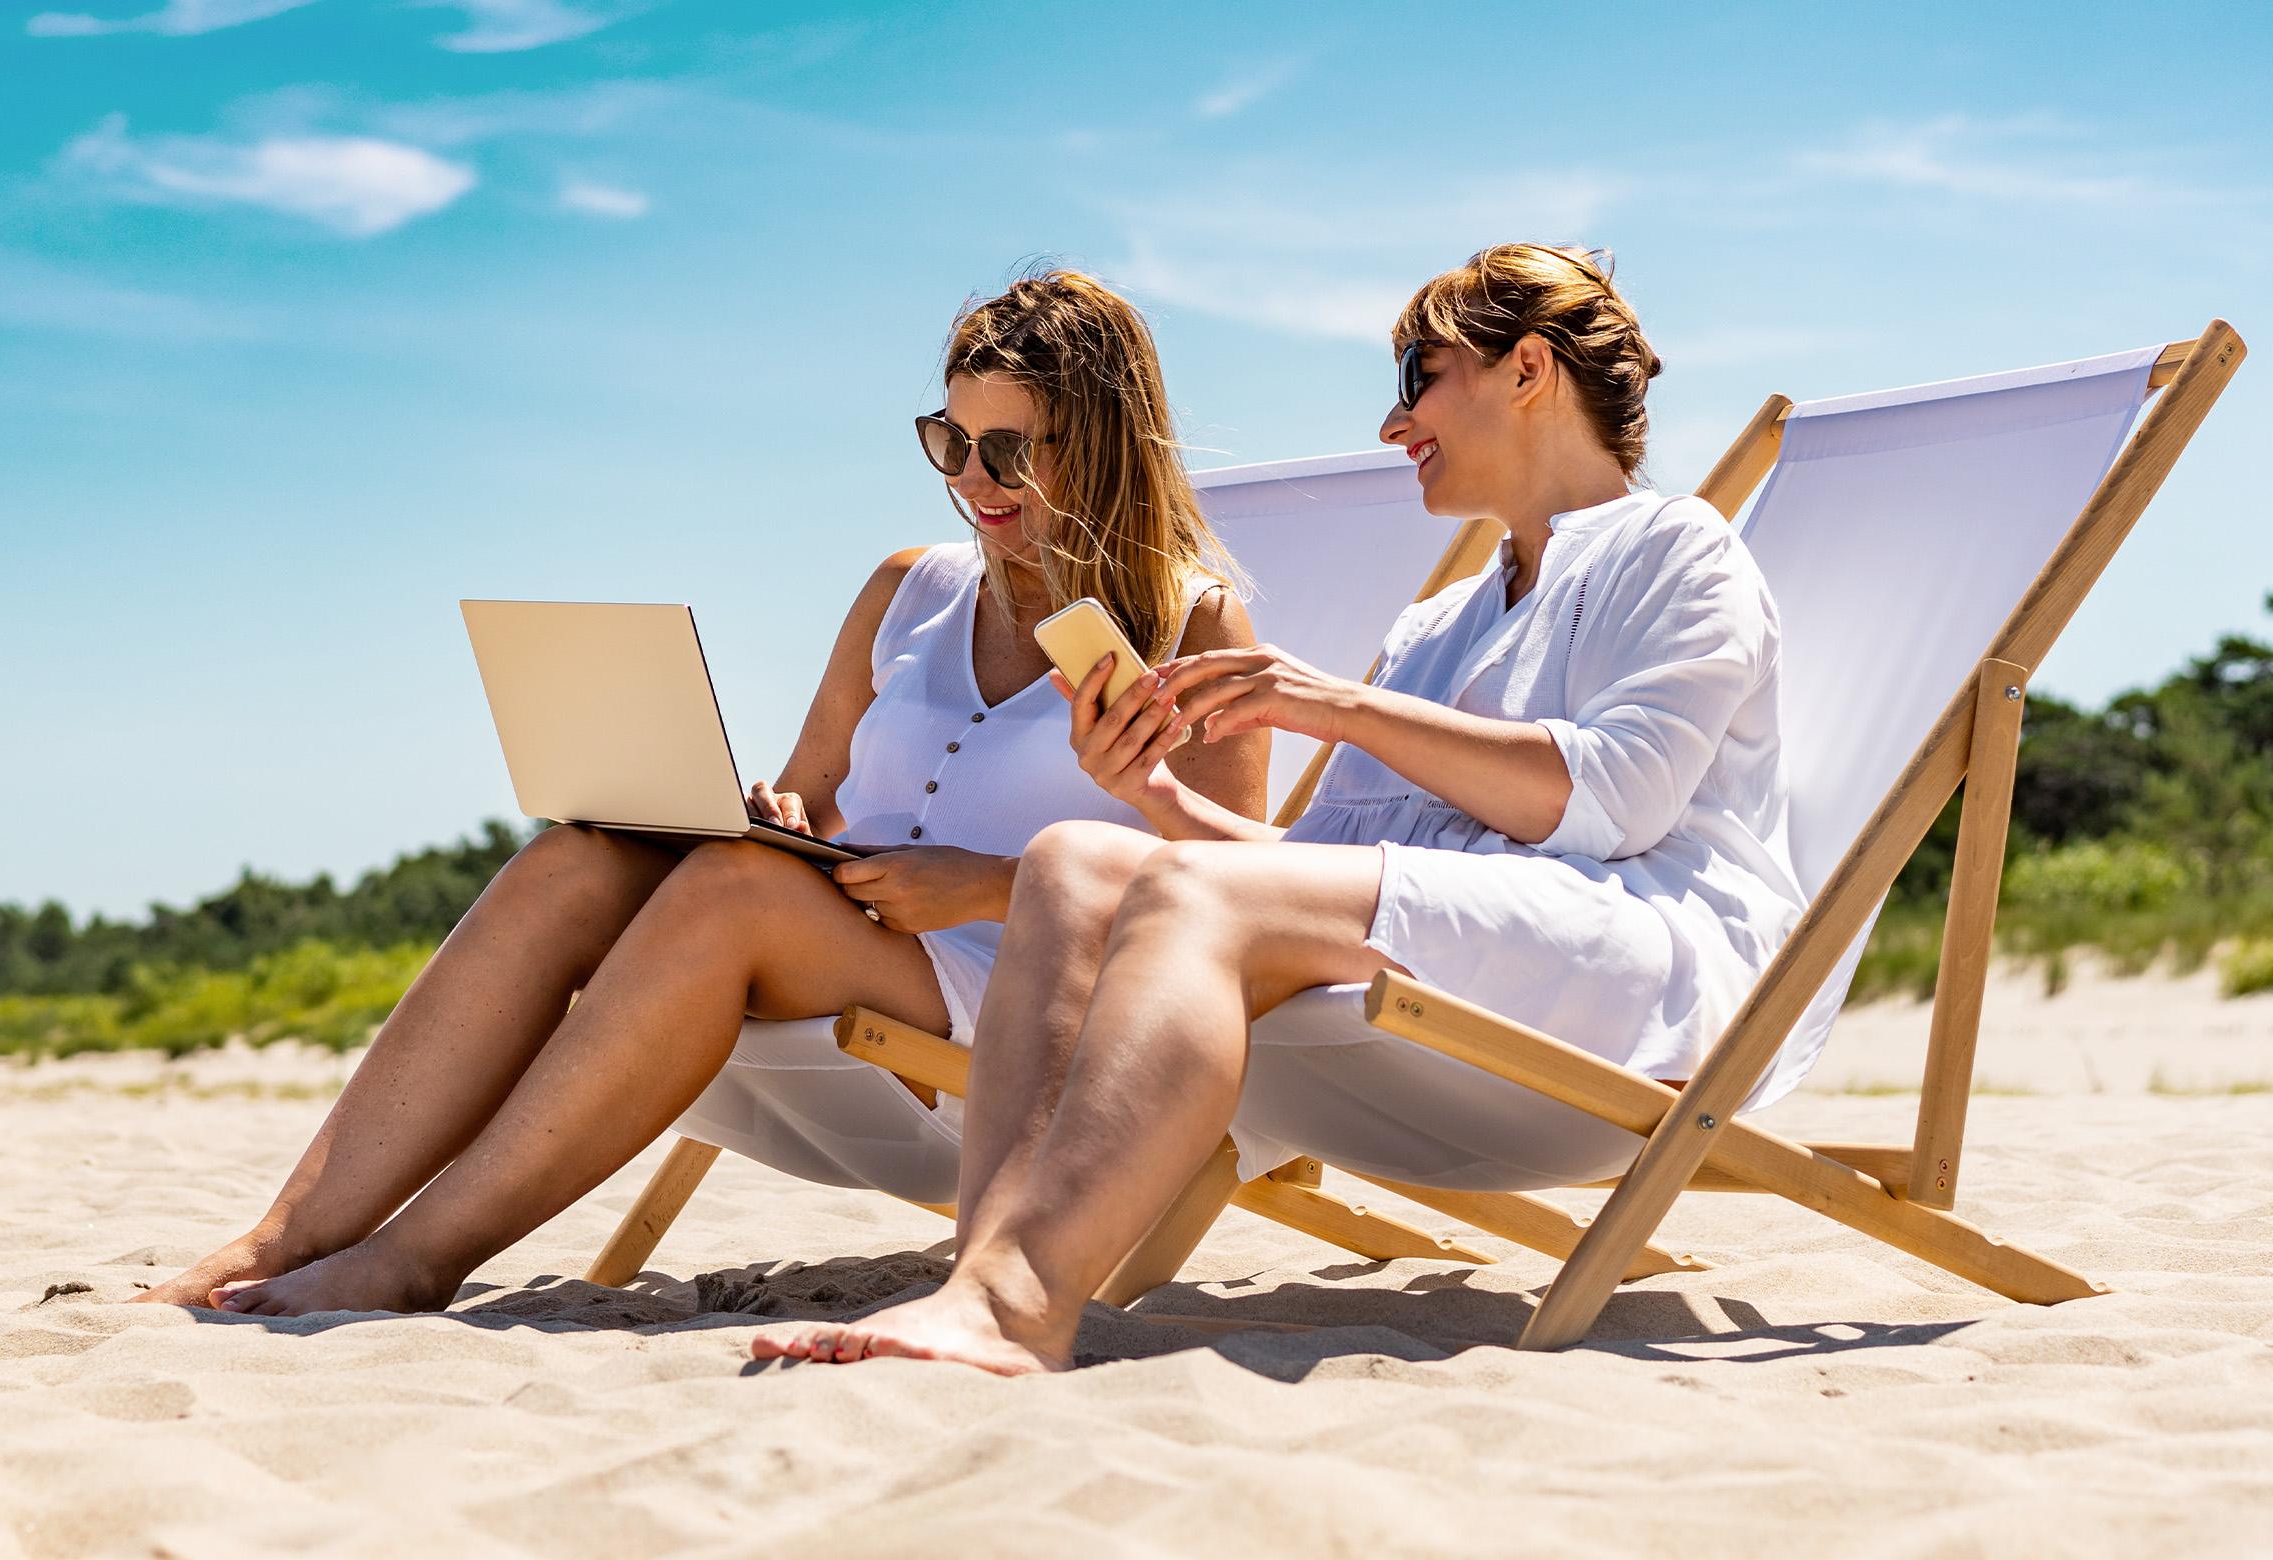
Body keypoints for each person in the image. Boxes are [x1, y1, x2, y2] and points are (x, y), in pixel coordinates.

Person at [752, 243, 1803, 1373]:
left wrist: (1340, 708)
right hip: (1457, 941)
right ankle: (980, 1287)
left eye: (1420, 378)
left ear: (1528, 369)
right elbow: (1309, 864)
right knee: (1072, 857)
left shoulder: (1681, 550)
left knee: (1180, 893)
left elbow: (1617, 800)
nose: (1396, 427)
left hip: (1630, 958)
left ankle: (1016, 1308)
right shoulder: (1443, 622)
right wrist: (1145, 792)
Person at [137, 271, 1269, 1316]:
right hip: (842, 929)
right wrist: (777, 815)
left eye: (1011, 452)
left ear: (1104, 447)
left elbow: (1231, 899)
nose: (973, 482)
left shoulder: (1191, 625)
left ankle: (412, 1258)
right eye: (950, 441)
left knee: (734, 896)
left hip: (1016, 996)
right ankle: (279, 1240)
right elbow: (812, 793)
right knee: (580, 854)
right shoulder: (905, 591)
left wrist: (984, 886)